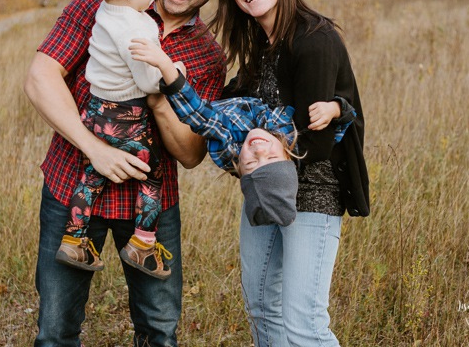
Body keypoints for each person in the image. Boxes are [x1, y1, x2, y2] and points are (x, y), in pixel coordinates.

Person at [24, 0, 230, 347]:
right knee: (56, 330)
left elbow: (191, 153)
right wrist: (93, 147)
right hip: (73, 184)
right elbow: (40, 78)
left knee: (158, 331)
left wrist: (159, 94)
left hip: (150, 207)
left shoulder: (207, 55)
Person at [211, 0, 370, 347]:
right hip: (264, 188)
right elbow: (228, 116)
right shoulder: (261, 49)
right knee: (264, 309)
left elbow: (317, 141)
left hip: (313, 193)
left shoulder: (314, 39)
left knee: (304, 322)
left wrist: (260, 146)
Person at [55, 0, 183, 280]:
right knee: (152, 172)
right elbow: (146, 83)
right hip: (126, 117)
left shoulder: (106, 7)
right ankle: (142, 243)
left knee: (92, 175)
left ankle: (74, 237)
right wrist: (174, 69)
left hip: (94, 113)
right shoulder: (138, 28)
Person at [129, 38, 356, 228]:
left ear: (239, 168)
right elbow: (343, 126)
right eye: (271, 157)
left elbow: (197, 114)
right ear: (288, 155)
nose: (259, 150)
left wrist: (166, 66)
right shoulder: (294, 137)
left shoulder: (229, 141)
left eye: (251, 163)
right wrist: (334, 109)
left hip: (199, 94)